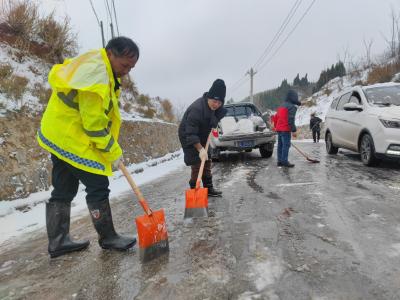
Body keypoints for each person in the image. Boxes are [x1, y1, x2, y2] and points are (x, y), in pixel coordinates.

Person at [37, 37, 139, 258]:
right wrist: (113, 152)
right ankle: (109, 237)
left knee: (63, 188)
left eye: (131, 68)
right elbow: (93, 125)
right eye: (125, 65)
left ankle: (58, 241)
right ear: (111, 53)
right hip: (70, 135)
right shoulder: (98, 75)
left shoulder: (98, 64)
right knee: (98, 184)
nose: (127, 71)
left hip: (59, 133)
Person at [178, 79, 227, 196]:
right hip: (188, 135)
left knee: (207, 160)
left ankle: (209, 189)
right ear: (209, 97)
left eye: (219, 103)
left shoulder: (216, 108)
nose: (216, 105)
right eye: (214, 101)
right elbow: (191, 133)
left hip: (203, 134)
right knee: (197, 163)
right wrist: (200, 149)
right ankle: (195, 192)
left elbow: (213, 120)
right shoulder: (196, 109)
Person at [271, 89, 302, 168]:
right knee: (286, 145)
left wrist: (274, 126)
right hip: (285, 129)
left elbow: (276, 117)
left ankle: (280, 161)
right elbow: (291, 119)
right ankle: (284, 161)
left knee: (280, 145)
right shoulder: (292, 107)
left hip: (279, 129)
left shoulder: (281, 106)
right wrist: (294, 130)